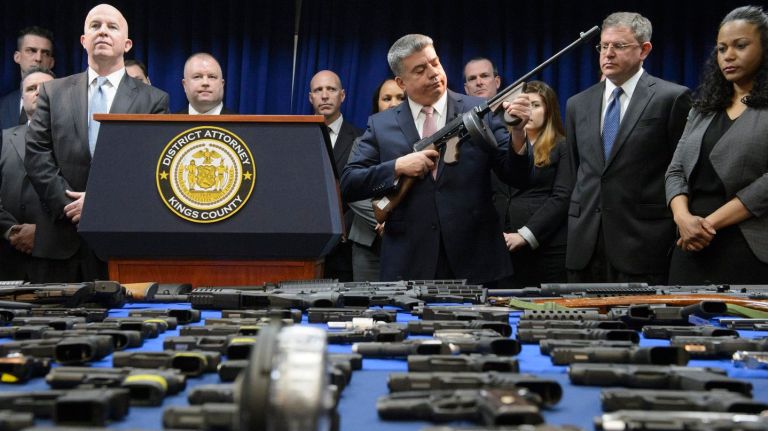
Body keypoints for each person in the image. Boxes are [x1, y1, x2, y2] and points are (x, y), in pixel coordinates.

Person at [341, 34, 531, 284]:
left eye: (435, 62)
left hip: (476, 260)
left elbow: (517, 176)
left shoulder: (478, 110)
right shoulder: (381, 124)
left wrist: (518, 132)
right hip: (408, 264)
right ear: (401, 82)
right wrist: (398, 167)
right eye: (420, 70)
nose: (433, 73)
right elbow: (349, 183)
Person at [24, 3, 169, 283]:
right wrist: (70, 206)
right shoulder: (53, 92)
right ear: (83, 40)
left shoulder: (153, 100)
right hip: (60, 237)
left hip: (120, 238)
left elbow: (151, 167)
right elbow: (37, 155)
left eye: (111, 27)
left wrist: (99, 204)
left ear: (127, 44)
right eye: (95, 26)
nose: (102, 31)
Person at [565, 12, 692, 284]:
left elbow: (680, 168)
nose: (608, 54)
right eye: (603, 46)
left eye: (619, 46)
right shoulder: (577, 103)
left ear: (644, 50)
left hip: (643, 243)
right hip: (585, 243)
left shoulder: (671, 98)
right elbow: (578, 171)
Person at [666, 5, 768, 284]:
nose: (729, 56)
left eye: (741, 45)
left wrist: (707, 225)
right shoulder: (703, 109)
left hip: (746, 248)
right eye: (722, 49)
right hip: (690, 246)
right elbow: (675, 171)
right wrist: (683, 219)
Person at [498, 81, 571, 287]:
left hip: (545, 249)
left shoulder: (562, 146)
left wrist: (525, 235)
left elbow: (562, 197)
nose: (528, 110)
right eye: (524, 104)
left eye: (536, 105)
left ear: (549, 111)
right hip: (502, 249)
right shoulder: (501, 145)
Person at [348, 78, 406, 281]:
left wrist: (397, 220)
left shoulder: (421, 143)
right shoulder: (360, 144)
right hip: (367, 243)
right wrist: (383, 218)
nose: (393, 103)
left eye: (400, 97)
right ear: (377, 105)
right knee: (364, 308)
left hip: (407, 240)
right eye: (386, 98)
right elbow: (353, 191)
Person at [0, 70, 54, 281]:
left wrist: (43, 235)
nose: (38, 92)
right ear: (22, 99)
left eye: (46, 88)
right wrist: (13, 231)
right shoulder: (3, 139)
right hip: (8, 259)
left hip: (59, 260)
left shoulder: (80, 143)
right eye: (31, 89)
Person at [309, 70, 362, 282]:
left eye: (330, 89)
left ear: (342, 95)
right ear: (310, 97)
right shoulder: (295, 137)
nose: (324, 95)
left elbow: (363, 189)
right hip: (305, 244)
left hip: (346, 247)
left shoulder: (362, 138)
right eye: (318, 90)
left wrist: (342, 227)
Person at [0, 26, 55, 129]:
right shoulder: (2, 106)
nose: (38, 58)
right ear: (17, 57)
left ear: (52, 62)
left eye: (45, 53)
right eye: (31, 51)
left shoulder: (66, 104)